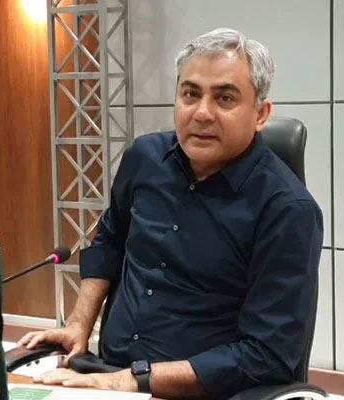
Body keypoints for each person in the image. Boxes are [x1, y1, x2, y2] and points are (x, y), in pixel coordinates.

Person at [18, 28, 324, 399]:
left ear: (261, 114)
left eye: (225, 98)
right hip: (106, 376)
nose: (202, 113)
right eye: (190, 94)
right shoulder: (144, 159)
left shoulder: (288, 211)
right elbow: (110, 240)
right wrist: (79, 325)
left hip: (203, 393)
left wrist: (134, 380)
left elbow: (267, 356)